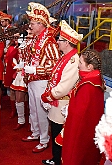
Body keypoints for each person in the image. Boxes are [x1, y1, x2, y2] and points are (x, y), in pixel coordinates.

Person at [40, 20, 83, 165]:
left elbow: (63, 88)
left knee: (59, 136)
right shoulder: (65, 57)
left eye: (60, 39)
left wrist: (47, 97)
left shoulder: (72, 61)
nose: (57, 41)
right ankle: (56, 159)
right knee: (56, 135)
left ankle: (58, 161)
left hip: (62, 104)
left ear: (67, 42)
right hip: (57, 103)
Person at [22, 2, 60, 153]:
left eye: (32, 23)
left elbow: (54, 66)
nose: (30, 26)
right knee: (33, 109)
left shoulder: (49, 41)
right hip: (32, 80)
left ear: (41, 24)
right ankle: (35, 132)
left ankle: (44, 140)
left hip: (42, 81)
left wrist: (35, 69)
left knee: (41, 112)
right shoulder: (37, 39)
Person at [61, 49, 105, 165]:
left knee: (75, 156)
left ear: (89, 66)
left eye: (80, 63)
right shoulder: (94, 80)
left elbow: (79, 114)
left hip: (80, 131)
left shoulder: (87, 85)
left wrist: (68, 111)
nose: (78, 65)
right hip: (90, 129)